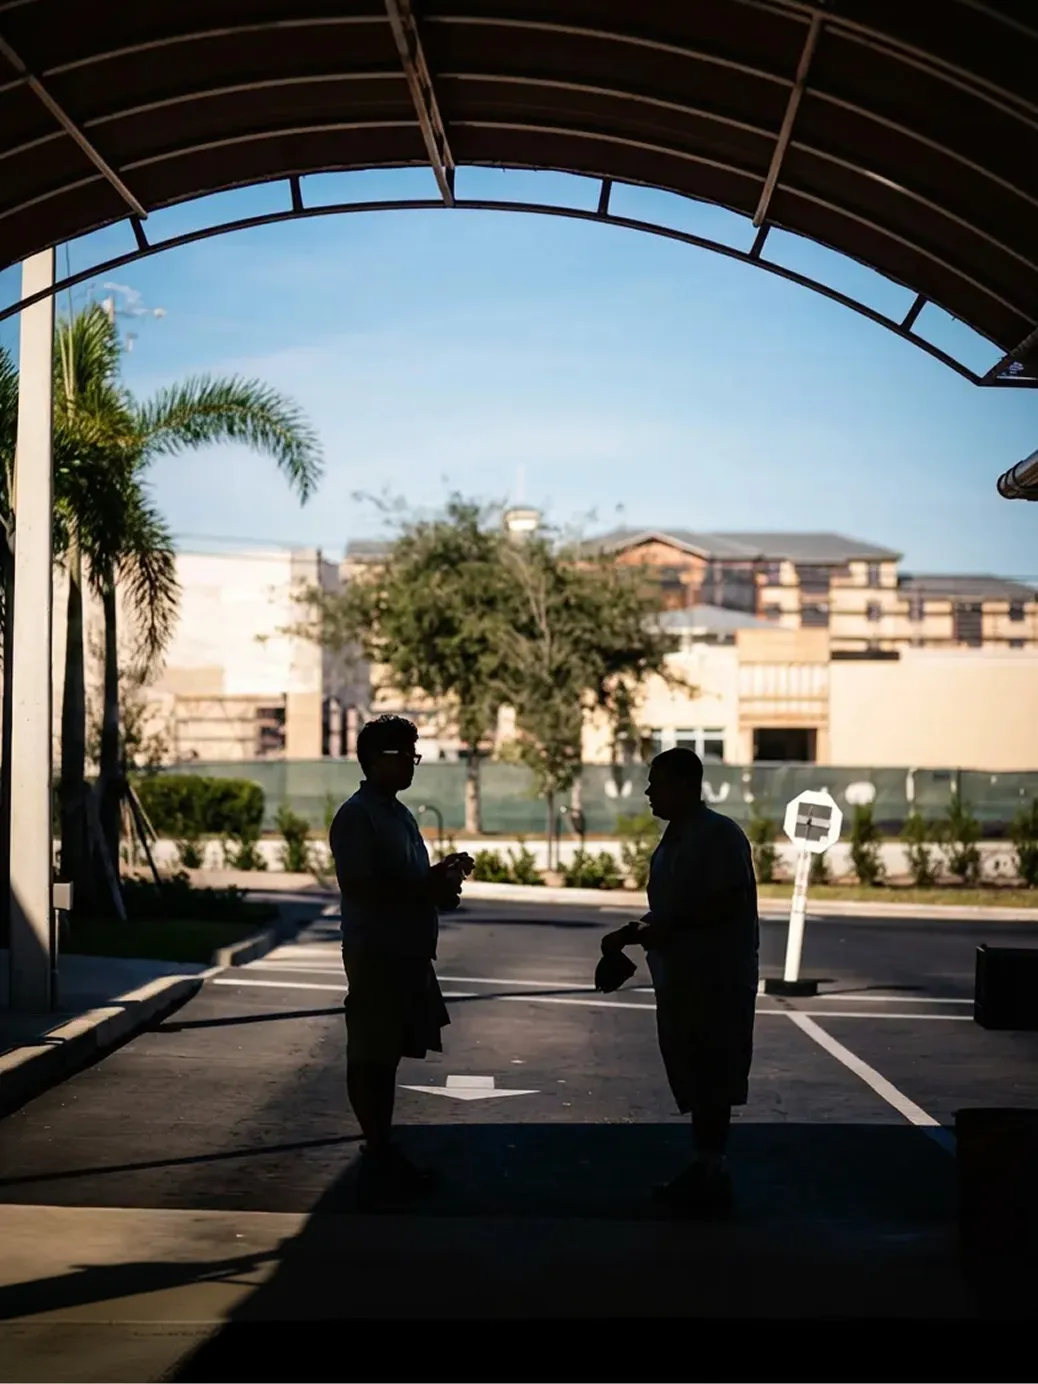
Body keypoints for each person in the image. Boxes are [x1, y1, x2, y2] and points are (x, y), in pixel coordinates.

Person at [600, 748, 759, 1217]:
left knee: (713, 1076)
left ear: (687, 785)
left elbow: (717, 905)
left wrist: (657, 932)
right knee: (695, 1074)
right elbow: (675, 905)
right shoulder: (678, 838)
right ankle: (706, 1165)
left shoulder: (718, 836)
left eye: (657, 783)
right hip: (682, 978)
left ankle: (712, 1172)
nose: (649, 792)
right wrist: (630, 934)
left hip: (715, 978)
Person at [328, 714, 473, 1209]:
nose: (414, 763)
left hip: (407, 952)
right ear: (377, 759)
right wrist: (424, 886)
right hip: (377, 952)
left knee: (387, 1054)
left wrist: (441, 879)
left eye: (416, 753)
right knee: (371, 1054)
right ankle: (378, 1149)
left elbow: (408, 882)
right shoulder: (357, 815)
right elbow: (361, 886)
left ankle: (382, 1146)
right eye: (407, 753)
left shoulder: (399, 814)